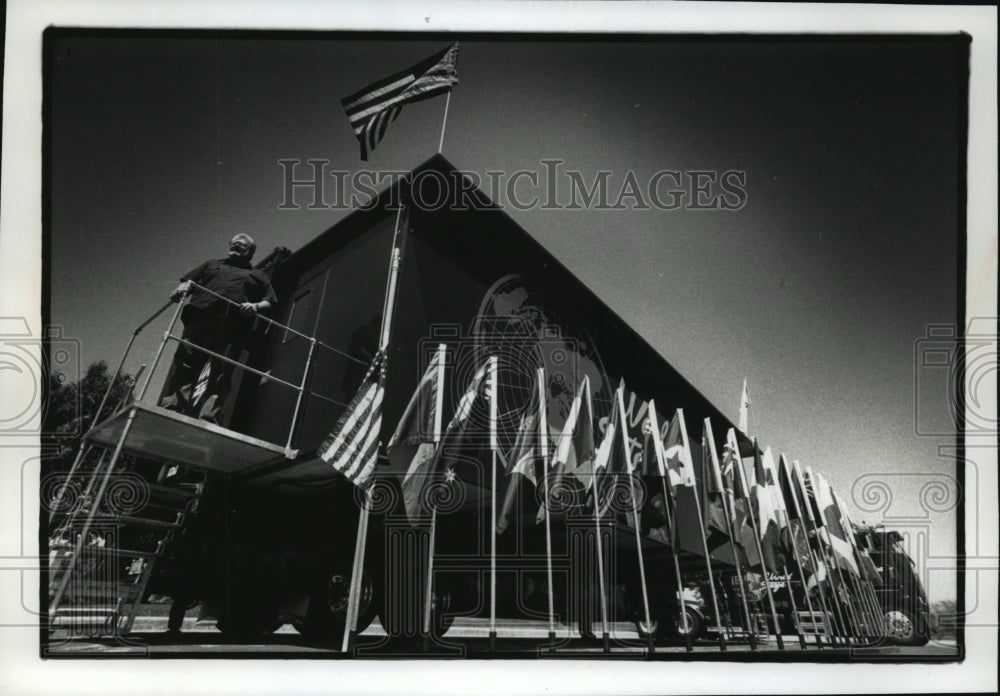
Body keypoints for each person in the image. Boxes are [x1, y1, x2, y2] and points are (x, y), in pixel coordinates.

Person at [159, 234, 277, 423]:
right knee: (186, 363)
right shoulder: (211, 264)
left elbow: (269, 302)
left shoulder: (259, 275)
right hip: (200, 318)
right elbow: (188, 282)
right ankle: (172, 407)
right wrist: (182, 287)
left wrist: (255, 306)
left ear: (250, 252)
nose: (236, 246)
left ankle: (209, 418)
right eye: (234, 244)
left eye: (242, 245)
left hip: (233, 327)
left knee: (222, 372)